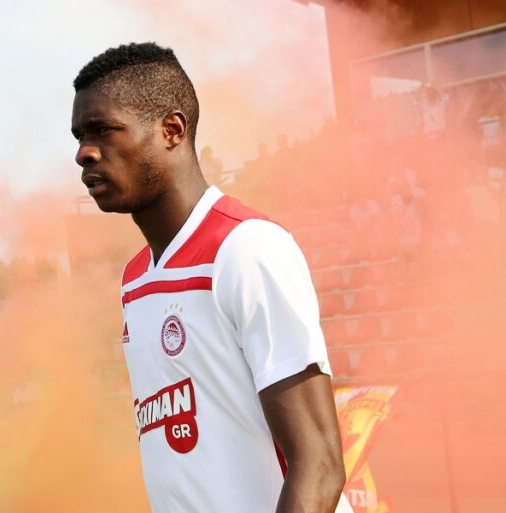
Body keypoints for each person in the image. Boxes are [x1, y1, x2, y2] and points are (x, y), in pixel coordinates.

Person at [71, 43, 350, 513]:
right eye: (79, 136)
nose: (84, 153)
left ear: (172, 130)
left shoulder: (246, 248)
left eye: (104, 131)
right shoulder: (135, 280)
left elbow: (320, 464)